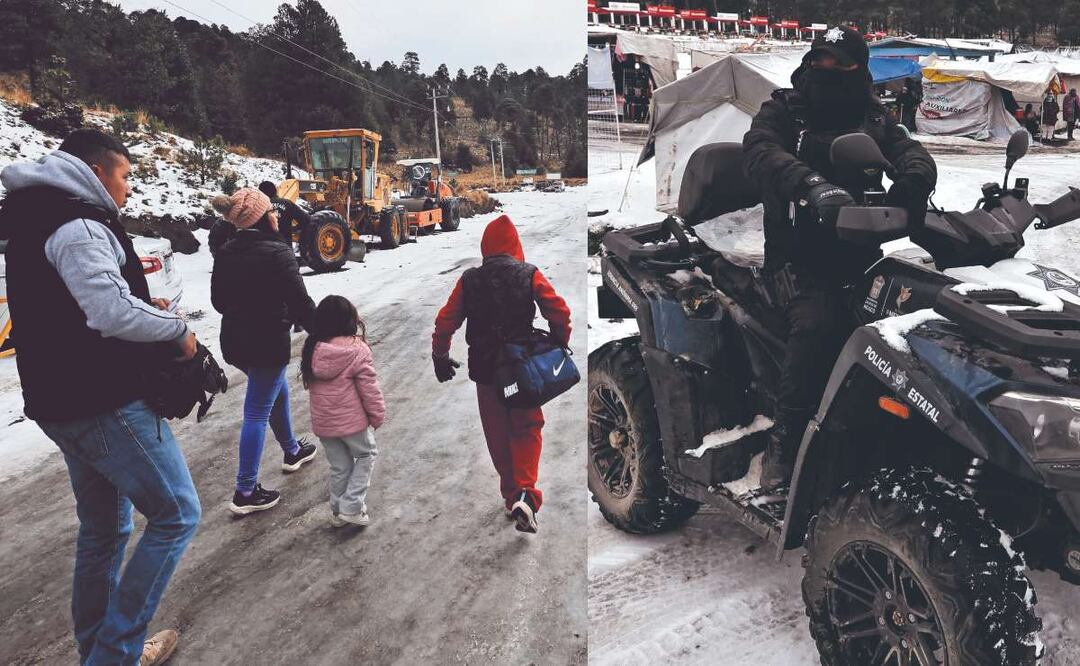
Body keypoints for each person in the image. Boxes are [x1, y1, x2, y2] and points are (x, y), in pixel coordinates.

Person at [0, 128, 200, 664]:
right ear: (97, 171)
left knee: (105, 529)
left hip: (56, 397)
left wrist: (136, 299)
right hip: (102, 399)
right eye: (126, 175)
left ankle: (101, 650)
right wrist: (176, 330)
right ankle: (114, 653)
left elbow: (76, 302)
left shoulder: (34, 215)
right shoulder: (79, 224)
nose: (129, 188)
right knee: (177, 513)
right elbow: (108, 313)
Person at [742, 25, 937, 490]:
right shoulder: (786, 108)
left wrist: (914, 175)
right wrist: (809, 183)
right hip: (796, 260)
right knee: (819, 325)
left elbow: (909, 149)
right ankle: (784, 446)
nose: (824, 67)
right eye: (819, 58)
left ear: (858, 67)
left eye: (836, 61)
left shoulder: (872, 116)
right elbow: (760, 150)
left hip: (861, 255)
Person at [431, 214, 571, 533]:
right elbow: (559, 311)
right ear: (515, 246)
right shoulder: (528, 274)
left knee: (497, 434)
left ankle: (512, 498)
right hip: (522, 369)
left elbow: (445, 321)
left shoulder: (469, 280)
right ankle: (526, 493)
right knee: (527, 427)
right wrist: (558, 343)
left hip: (487, 374)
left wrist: (440, 354)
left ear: (486, 247)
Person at [211, 187, 318, 515]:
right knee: (256, 412)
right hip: (267, 343)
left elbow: (218, 302)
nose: (276, 214)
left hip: (235, 344)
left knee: (276, 391)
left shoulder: (226, 251)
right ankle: (245, 490)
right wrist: (326, 332)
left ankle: (291, 451)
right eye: (271, 210)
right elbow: (301, 304)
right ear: (262, 217)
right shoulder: (278, 252)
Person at [301, 295, 386, 527]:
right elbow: (369, 388)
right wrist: (377, 414)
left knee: (340, 466)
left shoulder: (313, 348)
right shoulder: (356, 350)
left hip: (325, 425)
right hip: (351, 423)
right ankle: (352, 507)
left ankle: (339, 511)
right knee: (366, 455)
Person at [258, 180, 310, 247]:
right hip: (284, 250)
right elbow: (307, 219)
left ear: (261, 193)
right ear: (275, 191)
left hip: (263, 249)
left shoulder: (257, 206)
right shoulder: (287, 203)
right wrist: (294, 229)